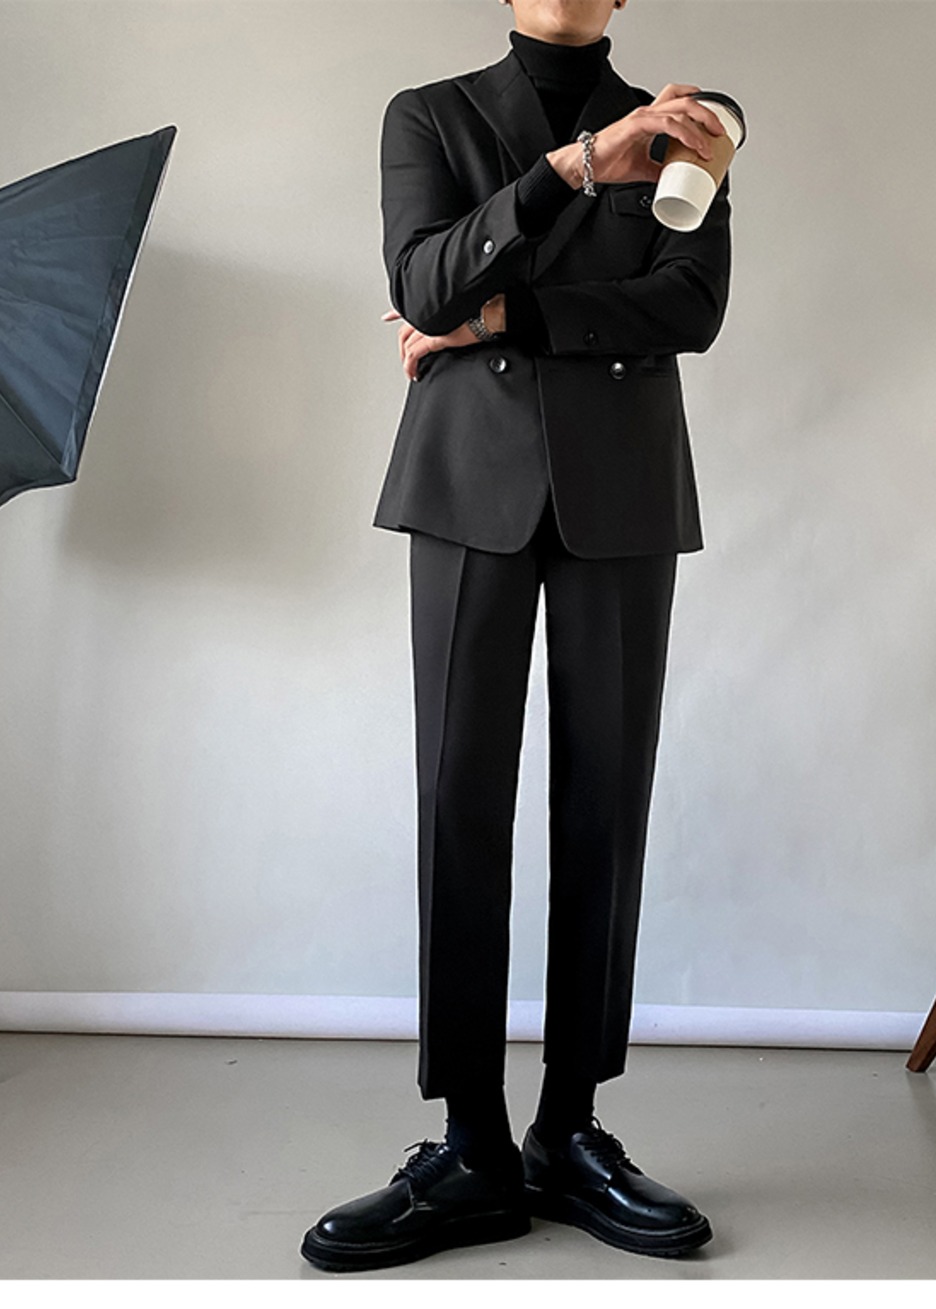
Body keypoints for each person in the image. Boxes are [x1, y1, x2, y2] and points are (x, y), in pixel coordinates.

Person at [301, 0, 733, 1272]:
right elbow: (421, 281)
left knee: (607, 798)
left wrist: (503, 323)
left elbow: (688, 305)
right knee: (458, 801)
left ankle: (570, 1129)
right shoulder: (427, 118)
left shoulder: (684, 128)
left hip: (622, 493)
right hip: (464, 486)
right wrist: (575, 169)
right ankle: (470, 1143)